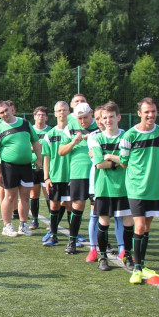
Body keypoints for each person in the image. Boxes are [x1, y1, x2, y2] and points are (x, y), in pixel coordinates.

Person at [119, 98, 159, 284]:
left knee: (147, 227)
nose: (151, 115)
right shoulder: (130, 136)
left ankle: (141, 264)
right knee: (139, 226)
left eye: (153, 111)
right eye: (147, 112)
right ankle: (136, 267)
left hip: (154, 188)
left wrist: (153, 177)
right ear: (139, 113)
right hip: (136, 188)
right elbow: (124, 162)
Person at [90, 102, 134, 272]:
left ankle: (127, 255)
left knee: (128, 221)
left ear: (118, 118)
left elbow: (129, 161)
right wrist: (119, 160)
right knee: (104, 221)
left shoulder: (127, 136)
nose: (108, 120)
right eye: (104, 118)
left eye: (111, 117)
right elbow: (99, 164)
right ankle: (103, 256)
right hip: (104, 187)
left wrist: (109, 155)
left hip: (124, 187)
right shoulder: (97, 138)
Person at [0, 101, 42, 237]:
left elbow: (36, 142)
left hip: (26, 166)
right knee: (9, 196)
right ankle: (7, 226)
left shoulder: (25, 123)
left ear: (11, 110)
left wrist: (39, 158)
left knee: (25, 196)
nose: (5, 114)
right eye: (1, 112)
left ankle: (23, 225)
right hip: (9, 166)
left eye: (6, 110)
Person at [61, 102, 97, 254]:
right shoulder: (70, 127)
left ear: (92, 113)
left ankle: (101, 242)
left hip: (98, 173)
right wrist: (74, 142)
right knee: (77, 207)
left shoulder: (100, 125)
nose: (83, 121)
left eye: (85, 117)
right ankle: (72, 240)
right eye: (79, 118)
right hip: (78, 173)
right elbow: (61, 151)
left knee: (98, 210)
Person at [41, 101, 70, 246]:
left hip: (71, 176)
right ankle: (53, 235)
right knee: (54, 206)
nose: (62, 113)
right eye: (59, 110)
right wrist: (46, 177)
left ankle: (73, 237)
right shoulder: (50, 135)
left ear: (69, 112)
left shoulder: (73, 132)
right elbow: (46, 158)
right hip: (55, 175)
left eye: (64, 110)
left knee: (71, 205)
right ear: (55, 113)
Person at [28, 106, 51, 230]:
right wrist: (36, 147)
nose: (40, 117)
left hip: (47, 167)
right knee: (34, 194)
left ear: (47, 117)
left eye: (43, 115)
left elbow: (51, 148)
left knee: (48, 194)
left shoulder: (51, 131)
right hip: (32, 167)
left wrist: (36, 147)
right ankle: (35, 220)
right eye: (38, 115)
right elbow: (27, 145)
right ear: (34, 116)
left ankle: (52, 221)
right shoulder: (29, 130)